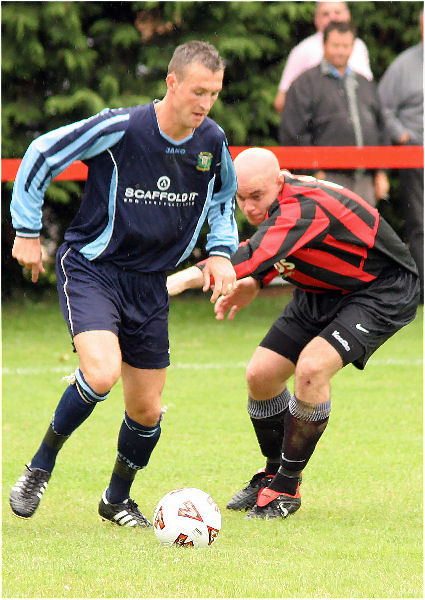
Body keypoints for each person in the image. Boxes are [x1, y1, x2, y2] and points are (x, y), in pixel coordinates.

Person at [9, 41, 239, 528]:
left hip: (149, 284)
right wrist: (27, 231)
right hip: (94, 267)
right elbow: (41, 152)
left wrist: (220, 253)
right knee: (101, 372)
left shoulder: (212, 141)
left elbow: (223, 201)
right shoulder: (121, 127)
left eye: (214, 94)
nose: (205, 103)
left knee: (148, 409)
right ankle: (39, 466)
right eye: (198, 91)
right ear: (171, 83)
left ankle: (116, 499)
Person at [167, 147, 419, 520]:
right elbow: (278, 246)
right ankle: (272, 473)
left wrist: (174, 282)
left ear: (280, 181)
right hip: (320, 289)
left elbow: (251, 253)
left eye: (257, 197)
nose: (250, 207)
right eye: (241, 198)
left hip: (379, 290)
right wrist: (257, 280)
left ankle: (286, 485)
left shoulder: (303, 204)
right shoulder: (280, 206)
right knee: (261, 374)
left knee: (312, 368)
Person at [279, 21, 389, 208]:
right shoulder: (305, 84)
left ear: (353, 47)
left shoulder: (365, 84)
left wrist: (381, 172)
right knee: (327, 236)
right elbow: (293, 132)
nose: (341, 51)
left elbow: (381, 128)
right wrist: (313, 171)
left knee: (364, 235)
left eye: (346, 46)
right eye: (336, 45)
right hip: (325, 179)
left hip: (365, 182)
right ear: (324, 45)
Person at [378, 10, 424, 303]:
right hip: (416, 157)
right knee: (422, 223)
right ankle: (423, 291)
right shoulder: (403, 65)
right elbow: (383, 108)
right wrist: (402, 136)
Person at [274, 1, 372, 114]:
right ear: (316, 19)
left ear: (348, 15)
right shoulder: (303, 50)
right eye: (325, 14)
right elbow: (281, 102)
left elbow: (368, 90)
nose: (332, 17)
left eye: (337, 12)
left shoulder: (359, 46)